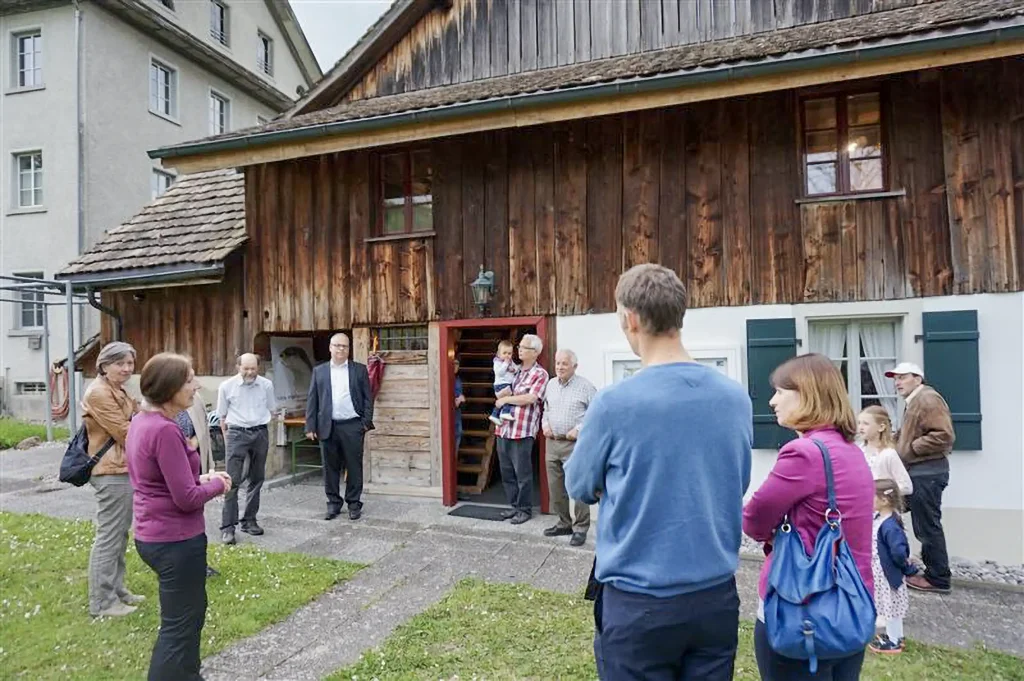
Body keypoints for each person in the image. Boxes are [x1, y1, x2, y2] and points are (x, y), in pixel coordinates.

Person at [566, 264, 752, 681]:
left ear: (629, 320)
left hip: (638, 603)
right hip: (715, 598)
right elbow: (734, 482)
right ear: (679, 315)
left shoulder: (613, 404)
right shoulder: (735, 397)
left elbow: (578, 485)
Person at [743, 353, 875, 681]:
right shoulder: (851, 450)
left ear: (807, 394)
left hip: (802, 607)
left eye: (780, 392)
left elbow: (754, 521)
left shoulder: (804, 453)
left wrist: (776, 532)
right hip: (850, 606)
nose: (773, 401)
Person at [127, 353, 231, 681]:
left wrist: (198, 479)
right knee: (178, 627)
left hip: (155, 535)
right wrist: (217, 484)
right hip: (174, 540)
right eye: (189, 380)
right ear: (170, 388)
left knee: (191, 615)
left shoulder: (143, 421)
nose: (197, 385)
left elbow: (159, 479)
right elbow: (185, 499)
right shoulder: (164, 430)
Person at [82, 341, 142, 618]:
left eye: (130, 363)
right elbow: (126, 431)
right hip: (110, 471)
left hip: (122, 468)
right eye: (121, 363)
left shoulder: (117, 390)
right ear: (104, 365)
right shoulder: (98, 393)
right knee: (108, 536)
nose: (127, 369)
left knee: (119, 534)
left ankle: (118, 589)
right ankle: (102, 602)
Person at [886, 361, 955, 594]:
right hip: (921, 472)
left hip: (928, 472)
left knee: (927, 526)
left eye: (902, 377)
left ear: (917, 378)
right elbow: (909, 434)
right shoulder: (915, 401)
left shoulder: (927, 399)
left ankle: (938, 579)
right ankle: (920, 568)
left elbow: (943, 436)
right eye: (895, 378)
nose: (897, 382)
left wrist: (910, 448)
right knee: (918, 523)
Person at [305, 332, 375, 521]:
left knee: (354, 467)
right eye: (337, 345)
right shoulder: (319, 371)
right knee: (330, 468)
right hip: (327, 426)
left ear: (348, 349)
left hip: (353, 425)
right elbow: (313, 399)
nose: (341, 349)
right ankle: (333, 504)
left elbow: (368, 398)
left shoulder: (359, 370)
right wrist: (310, 426)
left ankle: (353, 504)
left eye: (344, 346)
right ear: (330, 347)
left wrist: (365, 423)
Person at [216, 353, 276, 545]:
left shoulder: (266, 385)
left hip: (260, 432)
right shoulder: (226, 387)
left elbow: (272, 409)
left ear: (258, 367)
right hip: (236, 433)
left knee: (257, 478)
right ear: (238, 367)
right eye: (245, 369)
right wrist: (228, 439)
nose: (250, 372)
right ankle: (228, 527)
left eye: (253, 369)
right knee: (231, 481)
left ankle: (249, 520)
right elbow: (222, 417)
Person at [541, 348, 596, 547]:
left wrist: (580, 429)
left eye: (564, 363)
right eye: (557, 363)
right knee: (556, 489)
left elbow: (596, 413)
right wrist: (545, 425)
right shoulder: (551, 385)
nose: (560, 367)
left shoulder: (585, 386)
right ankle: (564, 523)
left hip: (575, 445)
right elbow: (546, 409)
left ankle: (581, 528)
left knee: (579, 489)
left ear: (575, 366)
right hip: (553, 442)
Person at [494, 333, 548, 525]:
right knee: (506, 473)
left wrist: (505, 400)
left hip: (522, 431)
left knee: (522, 474)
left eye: (523, 347)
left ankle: (524, 510)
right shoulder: (515, 371)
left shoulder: (540, 374)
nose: (519, 350)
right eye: (520, 347)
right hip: (504, 430)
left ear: (535, 352)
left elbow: (531, 398)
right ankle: (514, 506)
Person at [174, 393, 220, 578]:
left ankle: (198, 563)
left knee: (196, 518)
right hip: (175, 465)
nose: (196, 385)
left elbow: (203, 431)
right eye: (189, 378)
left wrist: (195, 444)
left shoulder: (196, 398)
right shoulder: (161, 402)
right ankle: (183, 564)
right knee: (179, 518)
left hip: (194, 463)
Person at [869, 478, 917, 655]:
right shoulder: (880, 518)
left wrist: (903, 566)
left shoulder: (889, 525)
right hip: (881, 572)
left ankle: (894, 640)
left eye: (872, 497)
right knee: (887, 605)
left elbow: (898, 551)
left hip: (887, 574)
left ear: (884, 500)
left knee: (891, 607)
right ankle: (895, 636)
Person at [857, 405, 912, 495]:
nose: (861, 427)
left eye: (866, 423)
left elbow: (906, 486)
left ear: (881, 427)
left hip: (883, 506)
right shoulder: (858, 451)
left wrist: (885, 493)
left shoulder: (888, 454)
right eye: (859, 423)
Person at [488, 339, 519, 426]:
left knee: (501, 400)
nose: (507, 356)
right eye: (504, 353)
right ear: (499, 354)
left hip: (505, 384)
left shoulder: (510, 361)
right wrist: (505, 365)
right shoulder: (497, 362)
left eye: (509, 353)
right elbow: (499, 373)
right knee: (510, 396)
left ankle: (494, 415)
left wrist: (513, 369)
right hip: (501, 385)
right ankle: (505, 412)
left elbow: (516, 368)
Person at [453, 358, 465, 454]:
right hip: (450, 416)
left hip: (457, 415)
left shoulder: (458, 379)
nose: (456, 366)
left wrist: (460, 398)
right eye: (454, 363)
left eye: (457, 363)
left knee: (458, 434)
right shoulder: (447, 379)